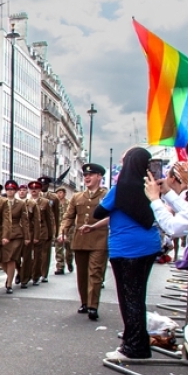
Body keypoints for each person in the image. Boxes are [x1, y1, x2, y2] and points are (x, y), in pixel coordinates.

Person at [95, 148, 162, 361]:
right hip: (149, 245)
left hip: (125, 248)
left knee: (129, 298)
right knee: (138, 296)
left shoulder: (120, 188)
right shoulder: (151, 187)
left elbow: (98, 211)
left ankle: (133, 347)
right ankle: (138, 341)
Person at [59, 164, 109, 320]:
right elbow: (68, 216)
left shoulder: (107, 195)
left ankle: (93, 306)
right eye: (85, 175)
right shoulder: (77, 196)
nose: (87, 178)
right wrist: (63, 231)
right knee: (82, 274)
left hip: (99, 239)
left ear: (99, 177)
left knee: (95, 273)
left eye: (91, 175)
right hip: (80, 239)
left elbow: (112, 216)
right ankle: (85, 302)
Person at [0, 180, 29, 294]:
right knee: (2, 260)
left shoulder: (20, 204)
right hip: (3, 233)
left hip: (17, 233)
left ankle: (9, 283)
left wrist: (27, 236)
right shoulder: (2, 202)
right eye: (8, 190)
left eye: (12, 190)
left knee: (11, 258)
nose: (10, 192)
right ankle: (12, 275)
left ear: (15, 191)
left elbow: (25, 221)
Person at [53, 186, 74, 275]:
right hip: (58, 228)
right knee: (58, 248)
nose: (59, 194)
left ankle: (69, 262)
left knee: (69, 248)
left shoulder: (69, 203)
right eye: (57, 193)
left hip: (68, 229)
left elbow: (71, 216)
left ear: (64, 194)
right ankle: (60, 267)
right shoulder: (54, 204)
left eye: (60, 193)